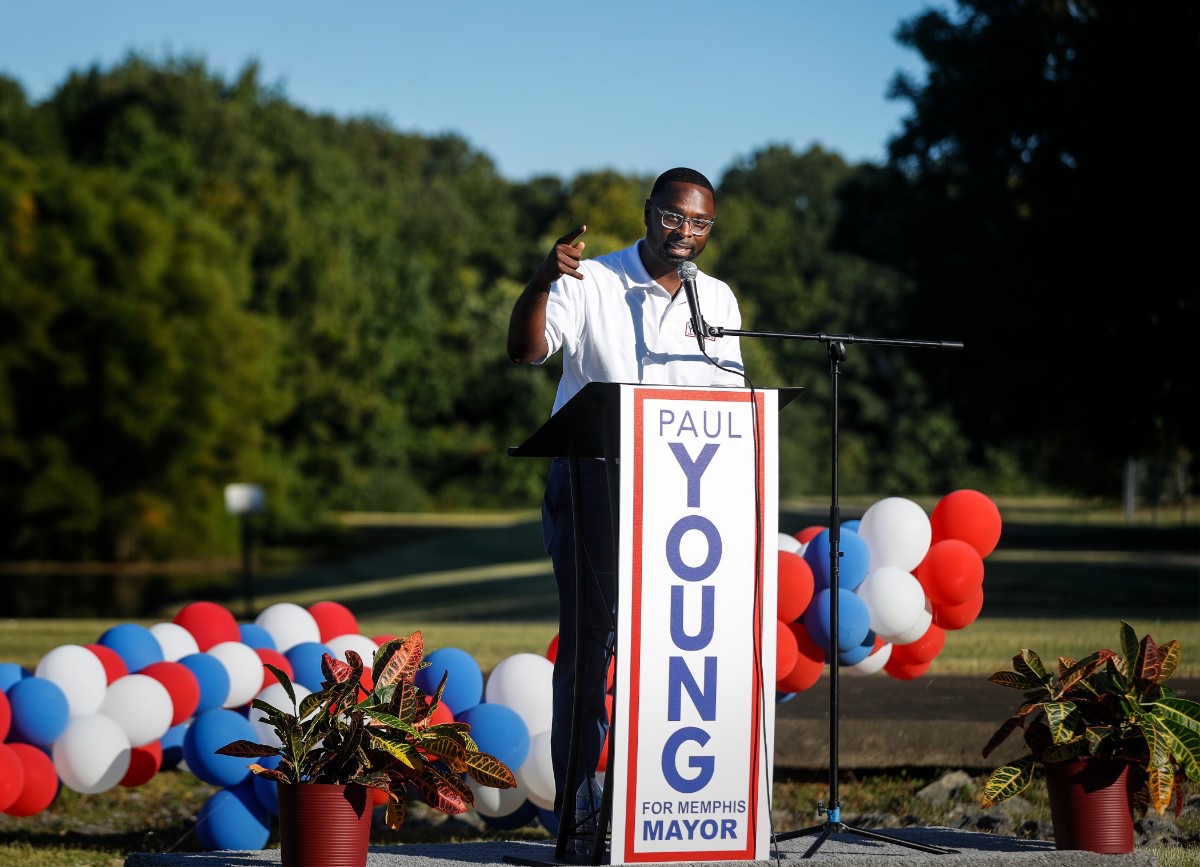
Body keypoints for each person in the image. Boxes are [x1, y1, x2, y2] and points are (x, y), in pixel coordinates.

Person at [507, 167, 745, 825]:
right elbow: (524, 351)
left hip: (684, 498)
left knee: (671, 649)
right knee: (592, 643)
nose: (685, 232)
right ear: (649, 212)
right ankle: (580, 810)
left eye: (700, 222)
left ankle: (652, 806)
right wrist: (540, 279)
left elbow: (730, 411)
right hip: (593, 484)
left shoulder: (717, 299)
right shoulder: (592, 281)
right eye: (674, 216)